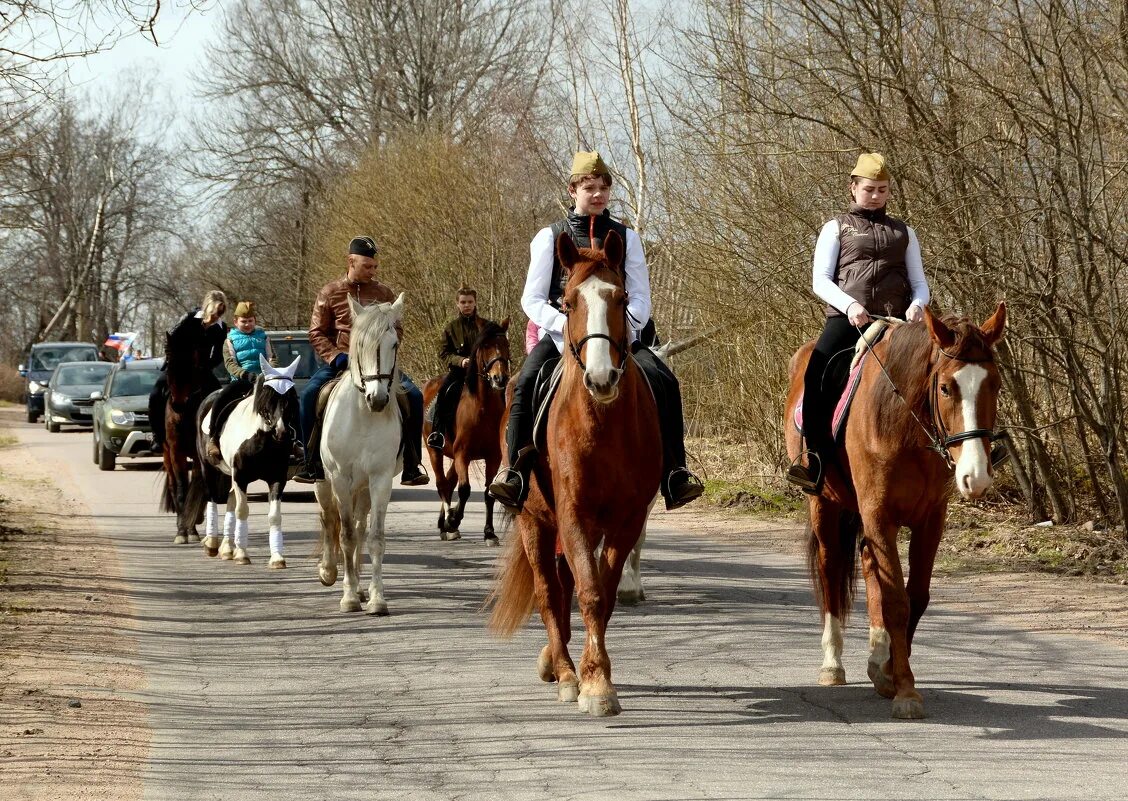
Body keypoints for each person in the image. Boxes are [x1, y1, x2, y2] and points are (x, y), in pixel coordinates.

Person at [487, 151, 704, 512]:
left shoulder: (626, 237)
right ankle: (514, 472)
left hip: (618, 336)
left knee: (665, 381)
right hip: (562, 336)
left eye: (604, 188)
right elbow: (532, 298)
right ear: (573, 190)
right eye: (590, 187)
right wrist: (564, 327)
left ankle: (675, 472)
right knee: (525, 382)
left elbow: (641, 299)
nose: (598, 194)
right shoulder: (550, 236)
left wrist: (622, 329)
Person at [786, 152, 931, 495]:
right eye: (869, 189)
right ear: (853, 188)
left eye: (882, 189)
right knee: (818, 372)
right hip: (848, 320)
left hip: (897, 323)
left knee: (950, 369)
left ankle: (965, 450)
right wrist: (850, 305)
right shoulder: (836, 227)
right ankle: (815, 459)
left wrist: (917, 306)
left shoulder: (905, 232)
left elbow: (919, 282)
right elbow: (820, 280)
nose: (876, 195)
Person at [292, 236, 429, 486]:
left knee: (415, 396)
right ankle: (310, 461)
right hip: (341, 363)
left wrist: (384, 342)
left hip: (379, 366)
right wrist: (335, 356)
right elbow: (316, 332)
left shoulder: (384, 292)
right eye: (368, 266)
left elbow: (397, 328)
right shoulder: (330, 292)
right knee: (310, 394)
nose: (373, 271)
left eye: (375, 266)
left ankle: (412, 462)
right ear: (350, 262)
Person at [148, 290, 229, 449]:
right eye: (213, 313)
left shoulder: (221, 328)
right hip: (178, 367)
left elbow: (219, 354)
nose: (215, 317)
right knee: (156, 394)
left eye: (219, 314)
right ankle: (157, 436)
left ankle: (216, 437)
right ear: (207, 308)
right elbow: (170, 339)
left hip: (201, 369)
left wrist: (207, 366)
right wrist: (173, 360)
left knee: (219, 396)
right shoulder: (190, 319)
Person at [205, 301, 277, 461]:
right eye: (243, 321)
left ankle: (295, 440)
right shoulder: (229, 340)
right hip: (242, 380)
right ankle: (213, 438)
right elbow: (230, 364)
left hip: (265, 379)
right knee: (221, 399)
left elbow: (272, 357)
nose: (247, 324)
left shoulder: (264, 337)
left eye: (250, 321)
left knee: (287, 398)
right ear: (236, 321)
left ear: (255, 321)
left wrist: (268, 372)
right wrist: (246, 375)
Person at [427, 286, 485, 451]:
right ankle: (437, 433)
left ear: (475, 303)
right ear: (457, 304)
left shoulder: (485, 326)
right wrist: (461, 361)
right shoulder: (451, 328)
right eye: (463, 302)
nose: (467, 305)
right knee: (444, 392)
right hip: (459, 372)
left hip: (483, 373)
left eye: (470, 302)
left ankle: (508, 431)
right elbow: (444, 353)